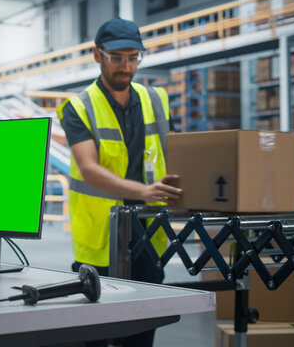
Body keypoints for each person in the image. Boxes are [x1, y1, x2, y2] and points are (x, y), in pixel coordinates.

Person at [57, 18, 182, 347]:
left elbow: (174, 154)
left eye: (133, 57)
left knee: (140, 330)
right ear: (97, 55)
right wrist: (145, 191)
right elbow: (89, 169)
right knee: (95, 331)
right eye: (117, 58)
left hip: (149, 232)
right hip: (100, 237)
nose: (126, 67)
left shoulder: (156, 99)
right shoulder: (78, 108)